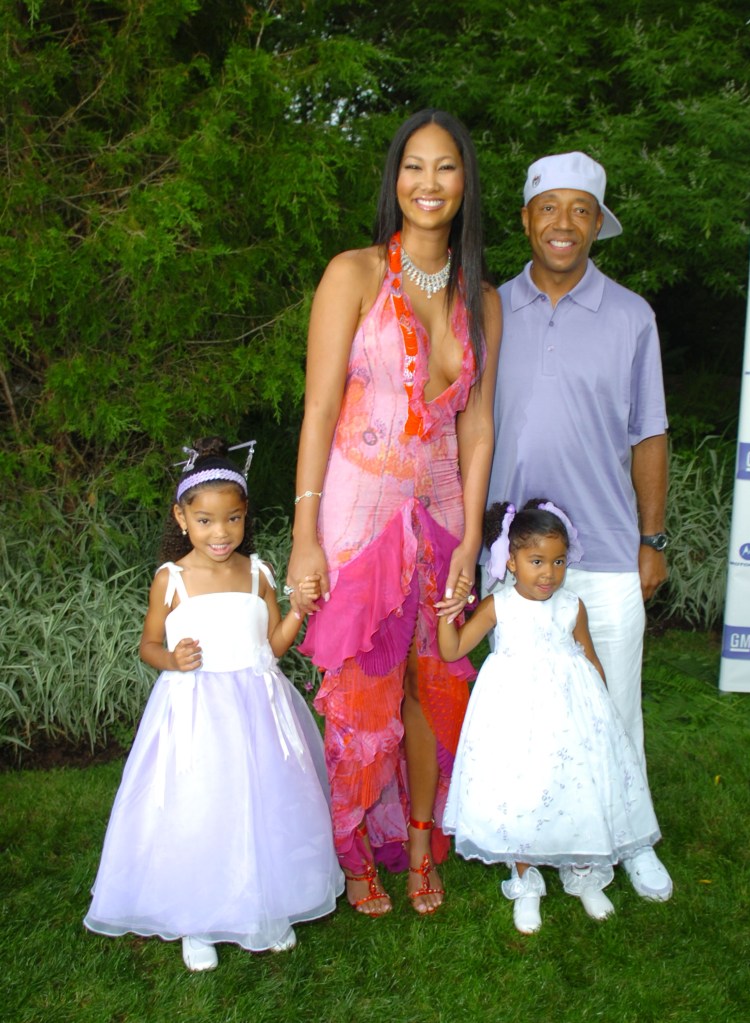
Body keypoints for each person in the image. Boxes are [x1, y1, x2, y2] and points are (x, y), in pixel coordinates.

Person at [286, 109, 501, 917]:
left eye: (446, 168)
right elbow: (316, 409)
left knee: (431, 682)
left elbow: (477, 425)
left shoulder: (481, 298)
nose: (429, 183)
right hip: (359, 514)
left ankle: (417, 843)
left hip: (444, 513)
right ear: (395, 178)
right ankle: (350, 851)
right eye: (415, 166)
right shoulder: (354, 274)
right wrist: (306, 533)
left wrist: (473, 538)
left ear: (466, 184)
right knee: (363, 687)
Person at [486, 151, 673, 901]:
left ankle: (632, 841)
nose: (564, 223)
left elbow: (650, 434)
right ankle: (531, 841)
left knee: (613, 705)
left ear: (598, 224)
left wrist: (651, 540)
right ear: (527, 219)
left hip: (602, 551)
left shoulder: (631, 316)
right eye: (549, 207)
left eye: (581, 210)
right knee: (530, 718)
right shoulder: (492, 309)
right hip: (513, 561)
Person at [84, 438, 343, 972]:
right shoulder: (171, 580)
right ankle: (195, 919)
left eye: (232, 519)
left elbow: (270, 647)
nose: (220, 533)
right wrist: (171, 658)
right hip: (198, 713)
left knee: (264, 803)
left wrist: (298, 612)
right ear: (182, 519)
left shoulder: (258, 574)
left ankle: (267, 907)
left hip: (257, 707)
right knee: (200, 807)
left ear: (245, 517)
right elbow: (147, 645)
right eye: (205, 520)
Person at [440, 500, 662, 932]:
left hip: (570, 716)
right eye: (537, 561)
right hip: (515, 718)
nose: (549, 573)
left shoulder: (572, 605)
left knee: (575, 784)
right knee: (523, 789)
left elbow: (591, 660)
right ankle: (526, 879)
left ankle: (583, 872)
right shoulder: (497, 604)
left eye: (558, 562)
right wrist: (449, 615)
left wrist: (601, 717)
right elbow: (453, 650)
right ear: (511, 560)